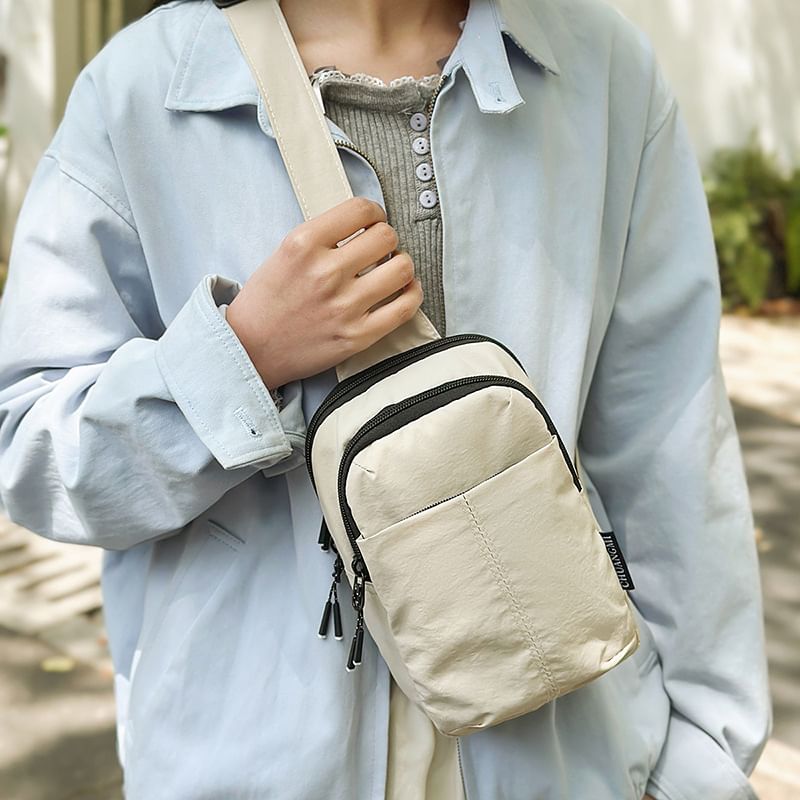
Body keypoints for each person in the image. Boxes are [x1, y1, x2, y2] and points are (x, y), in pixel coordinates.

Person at [0, 0, 771, 797]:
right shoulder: (139, 93)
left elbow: (672, 454)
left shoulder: (603, 73)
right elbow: (31, 452)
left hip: (565, 748)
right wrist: (244, 355)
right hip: (251, 768)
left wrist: (702, 768)